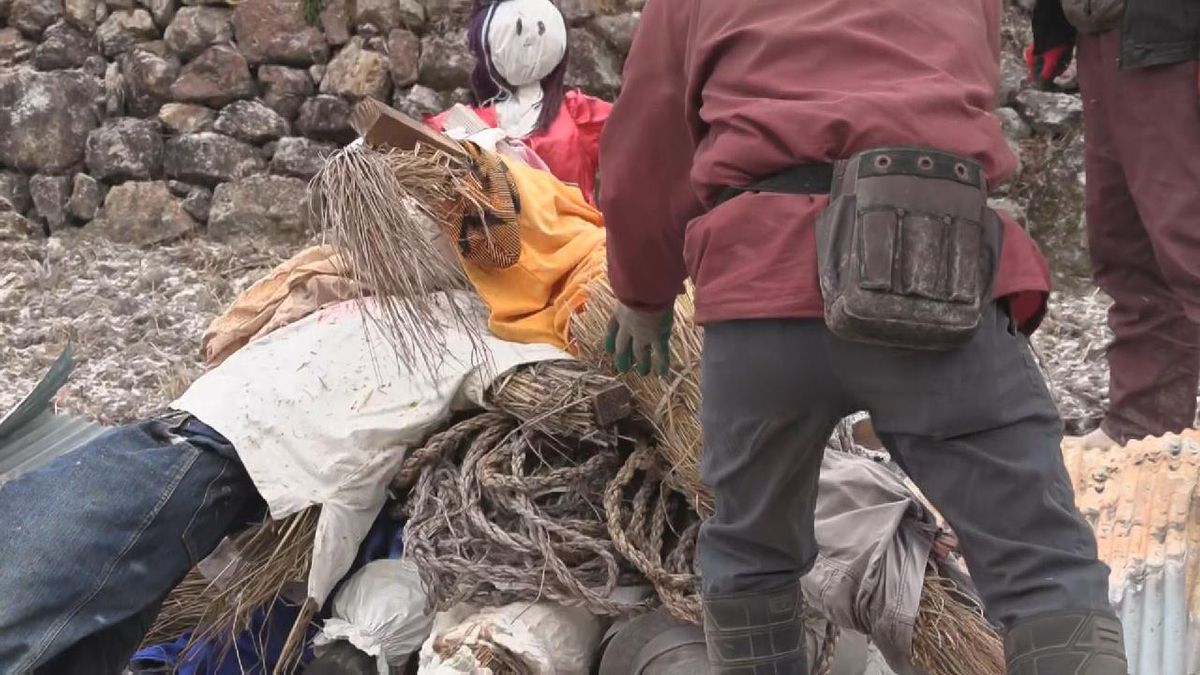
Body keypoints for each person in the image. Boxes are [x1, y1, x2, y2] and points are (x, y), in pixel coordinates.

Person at [598, 1, 1127, 673]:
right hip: (933, 264)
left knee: (751, 556)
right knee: (1043, 564)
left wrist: (644, 294)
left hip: (764, 282)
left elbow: (647, 145)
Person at [1027, 0, 1200, 449]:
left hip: (1178, 38)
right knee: (1126, 245)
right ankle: (1146, 423)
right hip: (1105, 32)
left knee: (1189, 239)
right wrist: (1052, 24)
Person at [426, 0, 611, 206]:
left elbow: (638, 136)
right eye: (519, 29)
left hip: (577, 232)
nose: (530, 39)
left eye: (541, 28)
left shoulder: (577, 112)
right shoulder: (467, 124)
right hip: (503, 236)